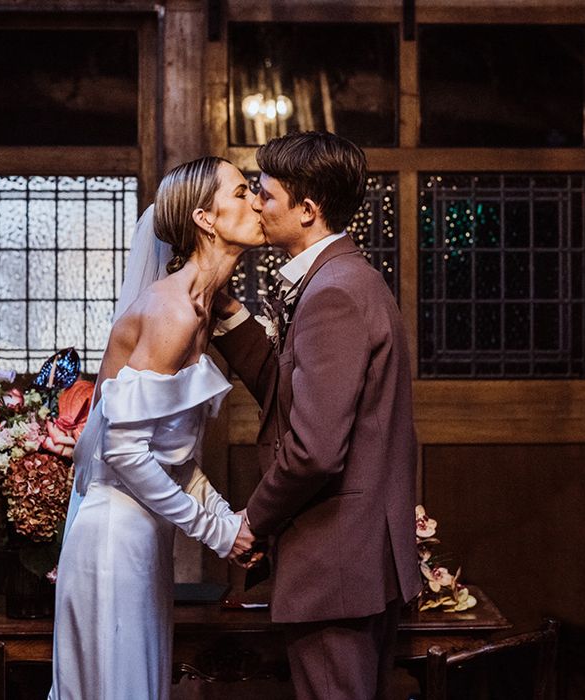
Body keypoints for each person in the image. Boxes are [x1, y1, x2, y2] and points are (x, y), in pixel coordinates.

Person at [214, 131, 421, 700]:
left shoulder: (333, 291)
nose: (256, 204)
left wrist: (253, 521)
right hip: (353, 560)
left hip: (337, 562)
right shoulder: (344, 277)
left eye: (266, 195)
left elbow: (315, 449)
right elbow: (292, 393)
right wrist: (226, 313)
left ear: (308, 210)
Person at [48, 156, 264, 700]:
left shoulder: (200, 309)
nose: (256, 201)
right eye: (241, 192)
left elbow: (169, 456)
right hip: (113, 538)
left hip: (145, 536)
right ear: (205, 219)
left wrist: (225, 519)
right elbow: (123, 451)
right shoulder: (173, 313)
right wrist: (214, 531)